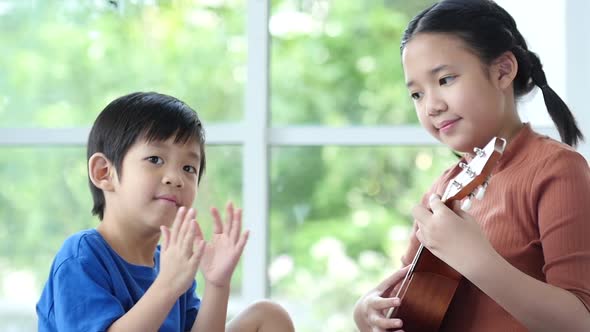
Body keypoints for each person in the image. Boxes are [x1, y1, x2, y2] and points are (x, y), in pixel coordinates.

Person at [353, 0, 590, 331]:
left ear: (502, 71)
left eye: (445, 79)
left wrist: (476, 260)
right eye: (417, 95)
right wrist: (368, 309)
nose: (431, 106)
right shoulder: (441, 191)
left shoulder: (558, 170)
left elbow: (579, 321)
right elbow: (409, 297)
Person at [36, 92, 294, 332]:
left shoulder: (172, 263)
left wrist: (217, 284)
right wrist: (168, 285)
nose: (175, 178)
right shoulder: (81, 257)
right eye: (155, 159)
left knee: (269, 315)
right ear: (104, 172)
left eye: (189, 168)